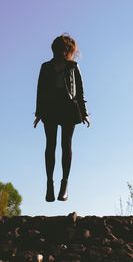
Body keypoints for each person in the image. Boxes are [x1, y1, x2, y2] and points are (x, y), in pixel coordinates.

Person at [33, 33, 90, 202]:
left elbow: (80, 92)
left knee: (66, 145)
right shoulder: (45, 67)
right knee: (50, 145)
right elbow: (40, 91)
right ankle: (49, 185)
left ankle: (64, 186)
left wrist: (85, 114)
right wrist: (38, 113)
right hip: (50, 107)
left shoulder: (74, 67)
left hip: (68, 108)